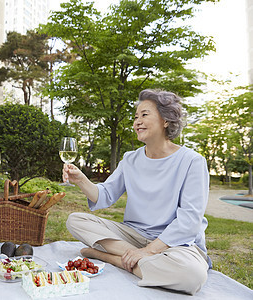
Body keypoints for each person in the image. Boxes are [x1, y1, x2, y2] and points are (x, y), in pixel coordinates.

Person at [63, 89, 211, 295]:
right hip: (133, 235)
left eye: (144, 115)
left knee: (192, 276)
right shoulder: (130, 159)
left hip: (174, 243)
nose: (137, 122)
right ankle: (144, 262)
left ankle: (110, 257)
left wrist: (149, 250)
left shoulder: (192, 161)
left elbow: (189, 221)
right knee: (75, 220)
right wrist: (81, 180)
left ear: (166, 120)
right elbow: (104, 195)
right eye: (135, 117)